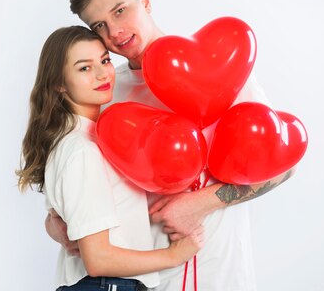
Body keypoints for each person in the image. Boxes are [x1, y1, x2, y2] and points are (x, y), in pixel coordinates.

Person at [47, 0, 297, 290]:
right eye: (100, 26)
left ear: (145, 0)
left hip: (220, 272)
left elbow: (282, 166)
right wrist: (54, 220)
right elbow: (75, 167)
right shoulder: (107, 92)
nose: (115, 32)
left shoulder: (222, 71)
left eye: (120, 11)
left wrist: (200, 203)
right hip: (145, 280)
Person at [17, 26, 203, 291]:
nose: (102, 73)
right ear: (59, 83)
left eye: (105, 60)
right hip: (103, 284)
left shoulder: (92, 136)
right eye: (84, 68)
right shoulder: (81, 149)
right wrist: (174, 255)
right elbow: (97, 259)